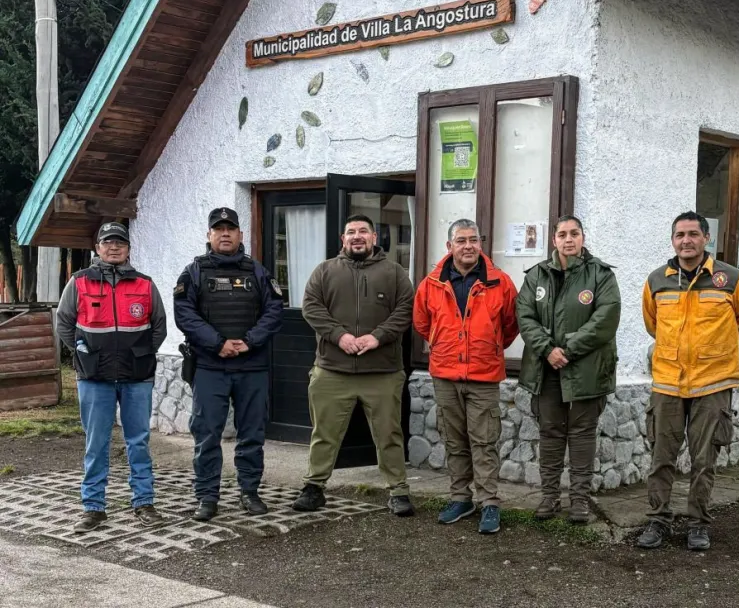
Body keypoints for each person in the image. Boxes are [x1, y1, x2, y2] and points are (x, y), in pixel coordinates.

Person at [637, 212, 739, 551]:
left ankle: (698, 524)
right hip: (668, 384)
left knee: (704, 462)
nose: (685, 240)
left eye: (692, 234)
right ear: (673, 240)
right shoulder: (657, 280)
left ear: (706, 238)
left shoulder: (731, 279)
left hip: (713, 384)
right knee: (661, 458)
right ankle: (658, 520)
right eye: (679, 235)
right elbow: (653, 325)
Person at [293, 214, 415, 517]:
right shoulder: (324, 272)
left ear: (374, 238)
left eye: (363, 231)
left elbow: (406, 309)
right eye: (351, 232)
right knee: (324, 432)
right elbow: (311, 307)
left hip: (382, 371)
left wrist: (378, 337)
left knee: (389, 434)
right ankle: (314, 487)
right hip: (332, 369)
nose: (357, 236)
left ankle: (398, 490)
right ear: (342, 240)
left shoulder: (395, 273)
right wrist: (340, 336)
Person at [56, 222, 167, 533]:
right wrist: (83, 355)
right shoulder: (79, 283)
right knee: (96, 443)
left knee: (139, 442)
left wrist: (141, 354)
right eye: (107, 242)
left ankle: (144, 502)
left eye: (120, 242)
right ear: (97, 248)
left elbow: (159, 327)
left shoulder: (145, 284)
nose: (114, 247)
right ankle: (93, 507)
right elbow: (64, 323)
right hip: (94, 378)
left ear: (128, 248)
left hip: (137, 377)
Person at [173, 207, 283, 521]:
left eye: (230, 229)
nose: (225, 234)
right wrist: (217, 343)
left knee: (252, 433)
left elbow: (274, 311)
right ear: (209, 235)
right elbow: (185, 314)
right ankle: (207, 497)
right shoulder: (193, 272)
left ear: (240, 235)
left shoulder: (258, 272)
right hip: (209, 367)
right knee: (207, 435)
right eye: (218, 229)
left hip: (252, 368)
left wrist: (249, 340)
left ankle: (249, 492)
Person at [413, 219, 519, 534]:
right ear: (450, 246)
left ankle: (489, 503)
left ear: (480, 244)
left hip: (484, 375)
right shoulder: (430, 283)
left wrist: (489, 347)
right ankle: (461, 498)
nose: (468, 246)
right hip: (445, 375)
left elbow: (510, 326)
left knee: (484, 441)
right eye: (461, 240)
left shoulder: (500, 282)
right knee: (454, 440)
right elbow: (422, 322)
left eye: (474, 239)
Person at [516, 216, 621, 525]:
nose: (568, 239)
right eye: (562, 234)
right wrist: (548, 350)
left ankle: (579, 501)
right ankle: (549, 498)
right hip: (545, 371)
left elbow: (606, 317)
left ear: (583, 237)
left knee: (582, 435)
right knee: (550, 434)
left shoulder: (600, 275)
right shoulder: (536, 276)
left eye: (574, 233)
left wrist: (569, 350)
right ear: (554, 241)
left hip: (587, 370)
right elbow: (525, 315)